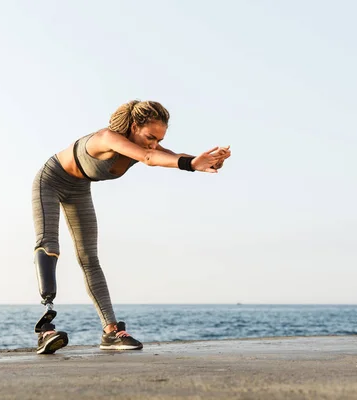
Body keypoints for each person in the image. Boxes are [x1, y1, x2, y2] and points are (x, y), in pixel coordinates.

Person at [31, 100, 231, 354]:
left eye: (158, 139)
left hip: (78, 189)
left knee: (89, 258)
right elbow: (149, 158)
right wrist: (191, 164)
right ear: (134, 127)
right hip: (51, 180)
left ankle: (111, 332)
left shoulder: (147, 146)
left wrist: (207, 163)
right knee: (49, 246)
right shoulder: (107, 138)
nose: (154, 144)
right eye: (150, 137)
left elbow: (166, 156)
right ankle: (45, 328)